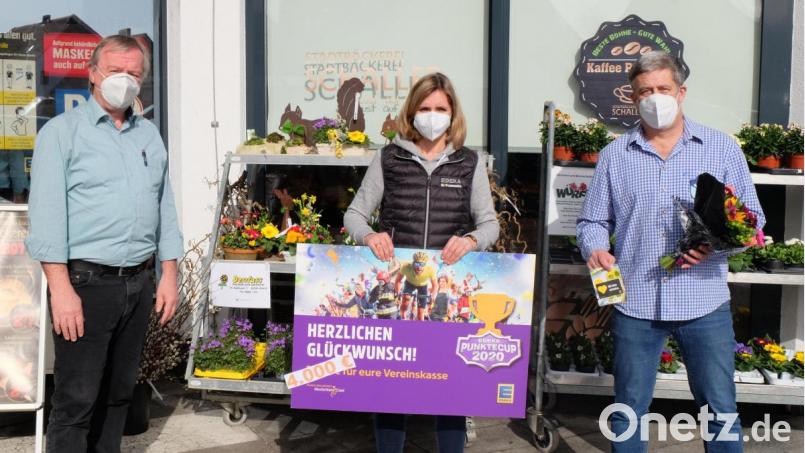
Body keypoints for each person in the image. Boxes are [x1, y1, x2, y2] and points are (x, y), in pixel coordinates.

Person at [577, 51, 764, 452]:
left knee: (719, 409)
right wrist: (595, 249)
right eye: (645, 91)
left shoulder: (721, 148)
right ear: (632, 96)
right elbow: (592, 222)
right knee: (627, 410)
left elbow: (752, 221)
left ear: (681, 92)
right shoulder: (614, 156)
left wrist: (715, 248)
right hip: (636, 305)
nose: (654, 97)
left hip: (704, 302)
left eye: (663, 88)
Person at [25, 35, 183, 452]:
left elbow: (164, 206)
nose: (124, 81)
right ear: (93, 74)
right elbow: (45, 218)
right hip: (85, 285)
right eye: (115, 71)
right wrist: (61, 290)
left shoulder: (148, 135)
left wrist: (170, 274)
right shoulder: (62, 133)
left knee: (119, 396)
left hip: (138, 283)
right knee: (76, 400)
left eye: (134, 74)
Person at [344, 72, 499, 453]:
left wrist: (470, 240)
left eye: (440, 109)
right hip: (396, 291)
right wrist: (369, 235)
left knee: (450, 389)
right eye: (425, 108)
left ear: (453, 113)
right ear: (412, 113)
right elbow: (354, 214)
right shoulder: (389, 159)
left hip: (447, 289)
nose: (432, 115)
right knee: (391, 389)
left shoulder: (468, 163)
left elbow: (489, 223)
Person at [394, 251, 437, 320]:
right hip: (409, 283)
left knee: (420, 313)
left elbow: (435, 285)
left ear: (425, 265)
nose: (419, 268)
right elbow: (398, 280)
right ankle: (403, 316)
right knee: (406, 298)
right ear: (413, 263)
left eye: (422, 265)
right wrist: (398, 292)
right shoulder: (405, 266)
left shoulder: (430, 269)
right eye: (417, 264)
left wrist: (433, 295)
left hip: (423, 286)